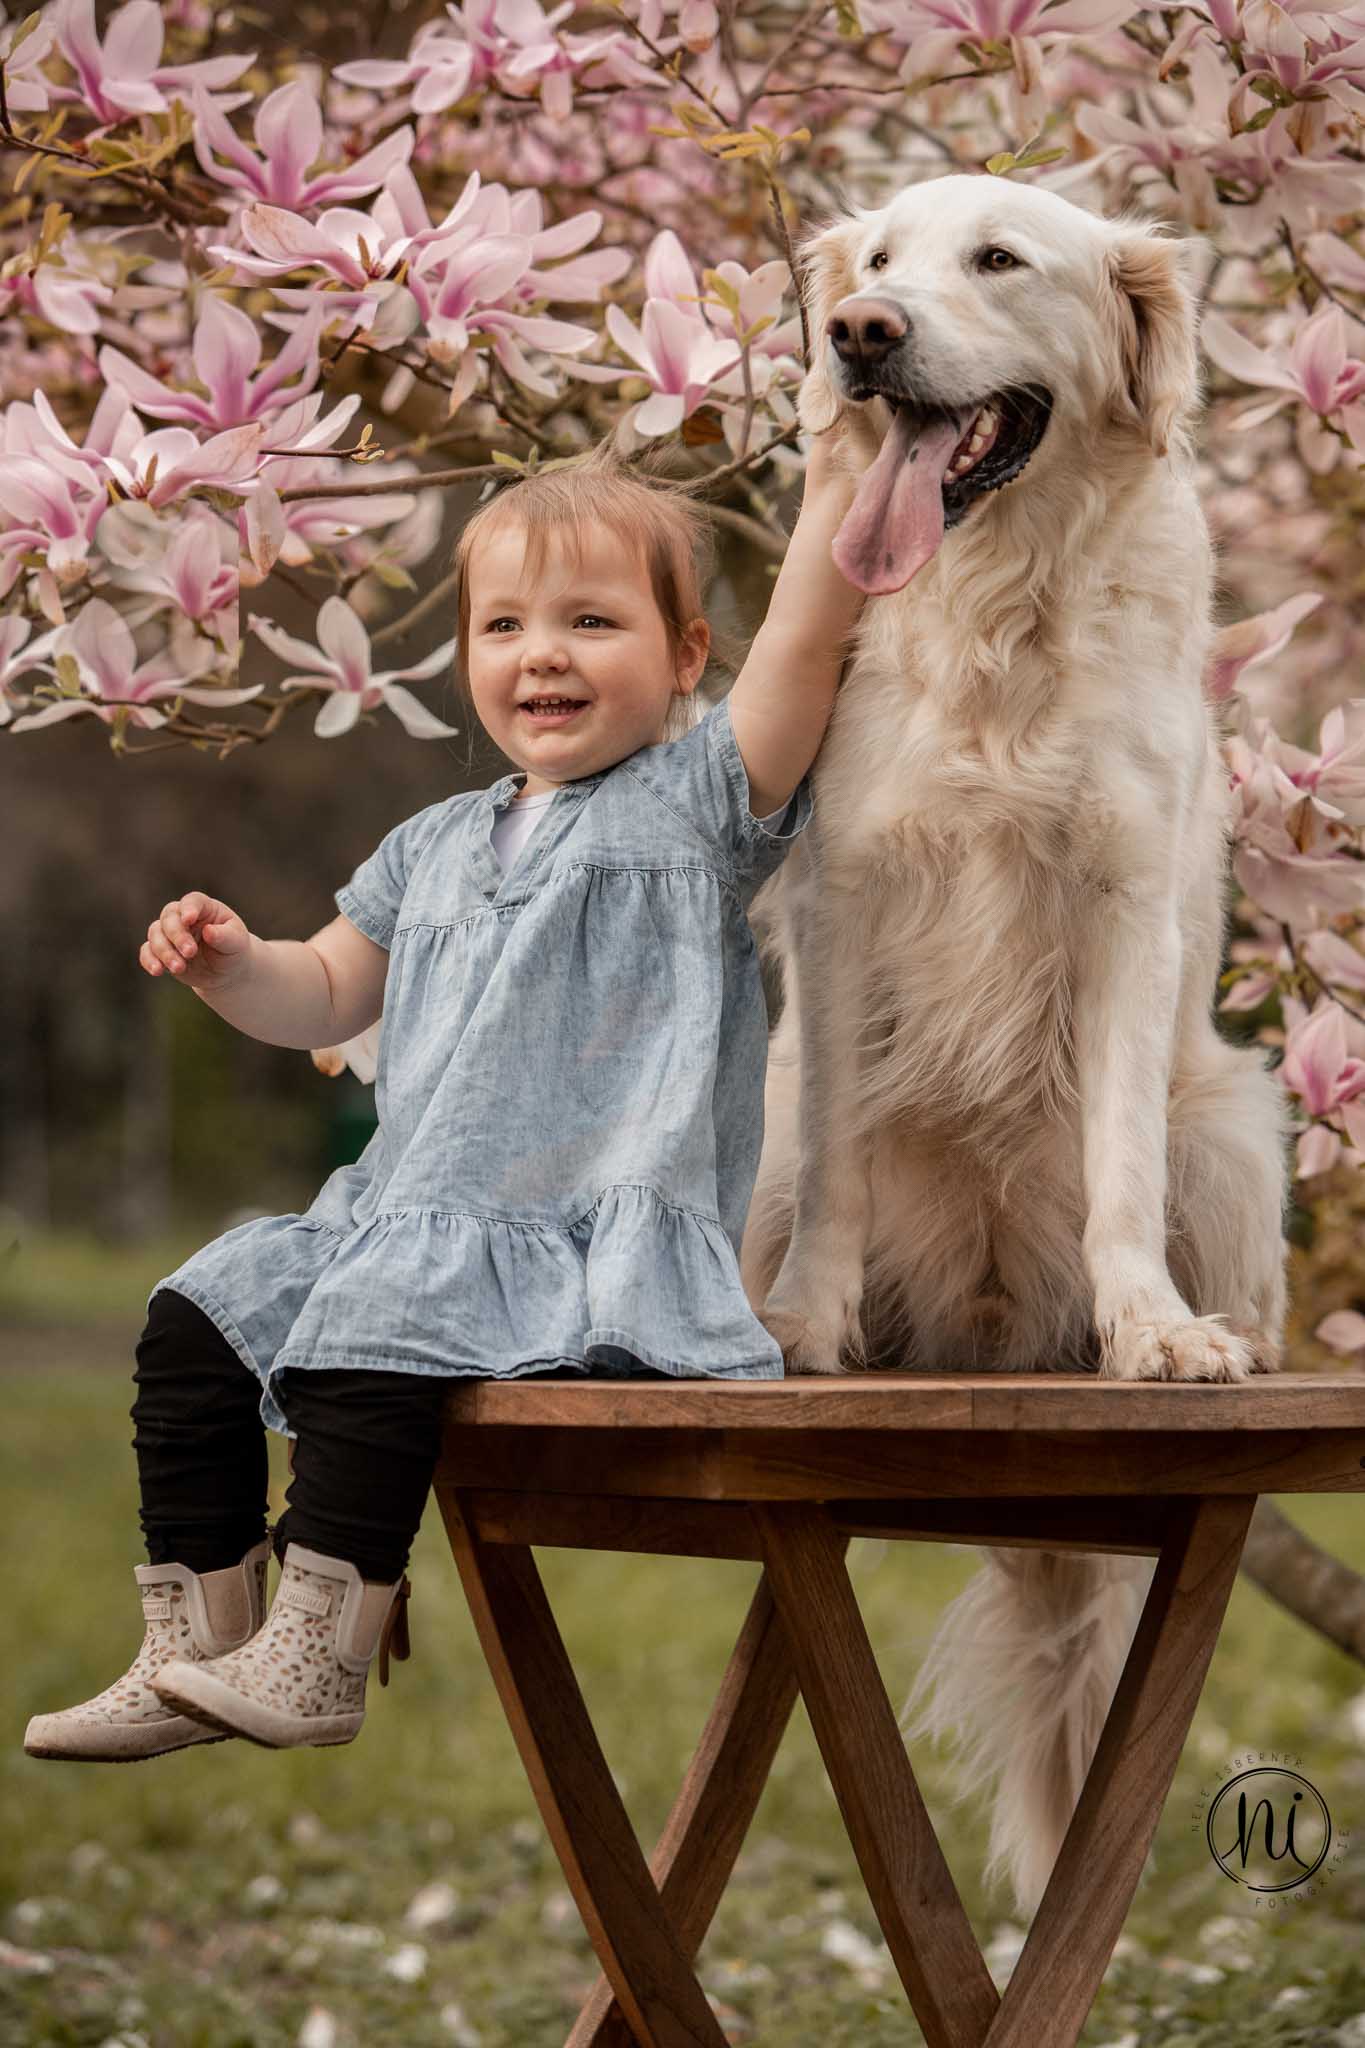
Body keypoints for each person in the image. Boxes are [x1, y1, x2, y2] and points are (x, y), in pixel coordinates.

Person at [24, 423, 866, 1763]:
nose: (541, 654)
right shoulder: (430, 845)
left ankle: (320, 1649)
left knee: (374, 1330)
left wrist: (840, 471)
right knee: (190, 1321)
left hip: (575, 1227)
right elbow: (326, 993)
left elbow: (810, 641)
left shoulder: (696, 802)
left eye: (593, 621)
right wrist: (233, 965)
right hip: (405, 1217)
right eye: (504, 626)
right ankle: (198, 1649)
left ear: (688, 658)